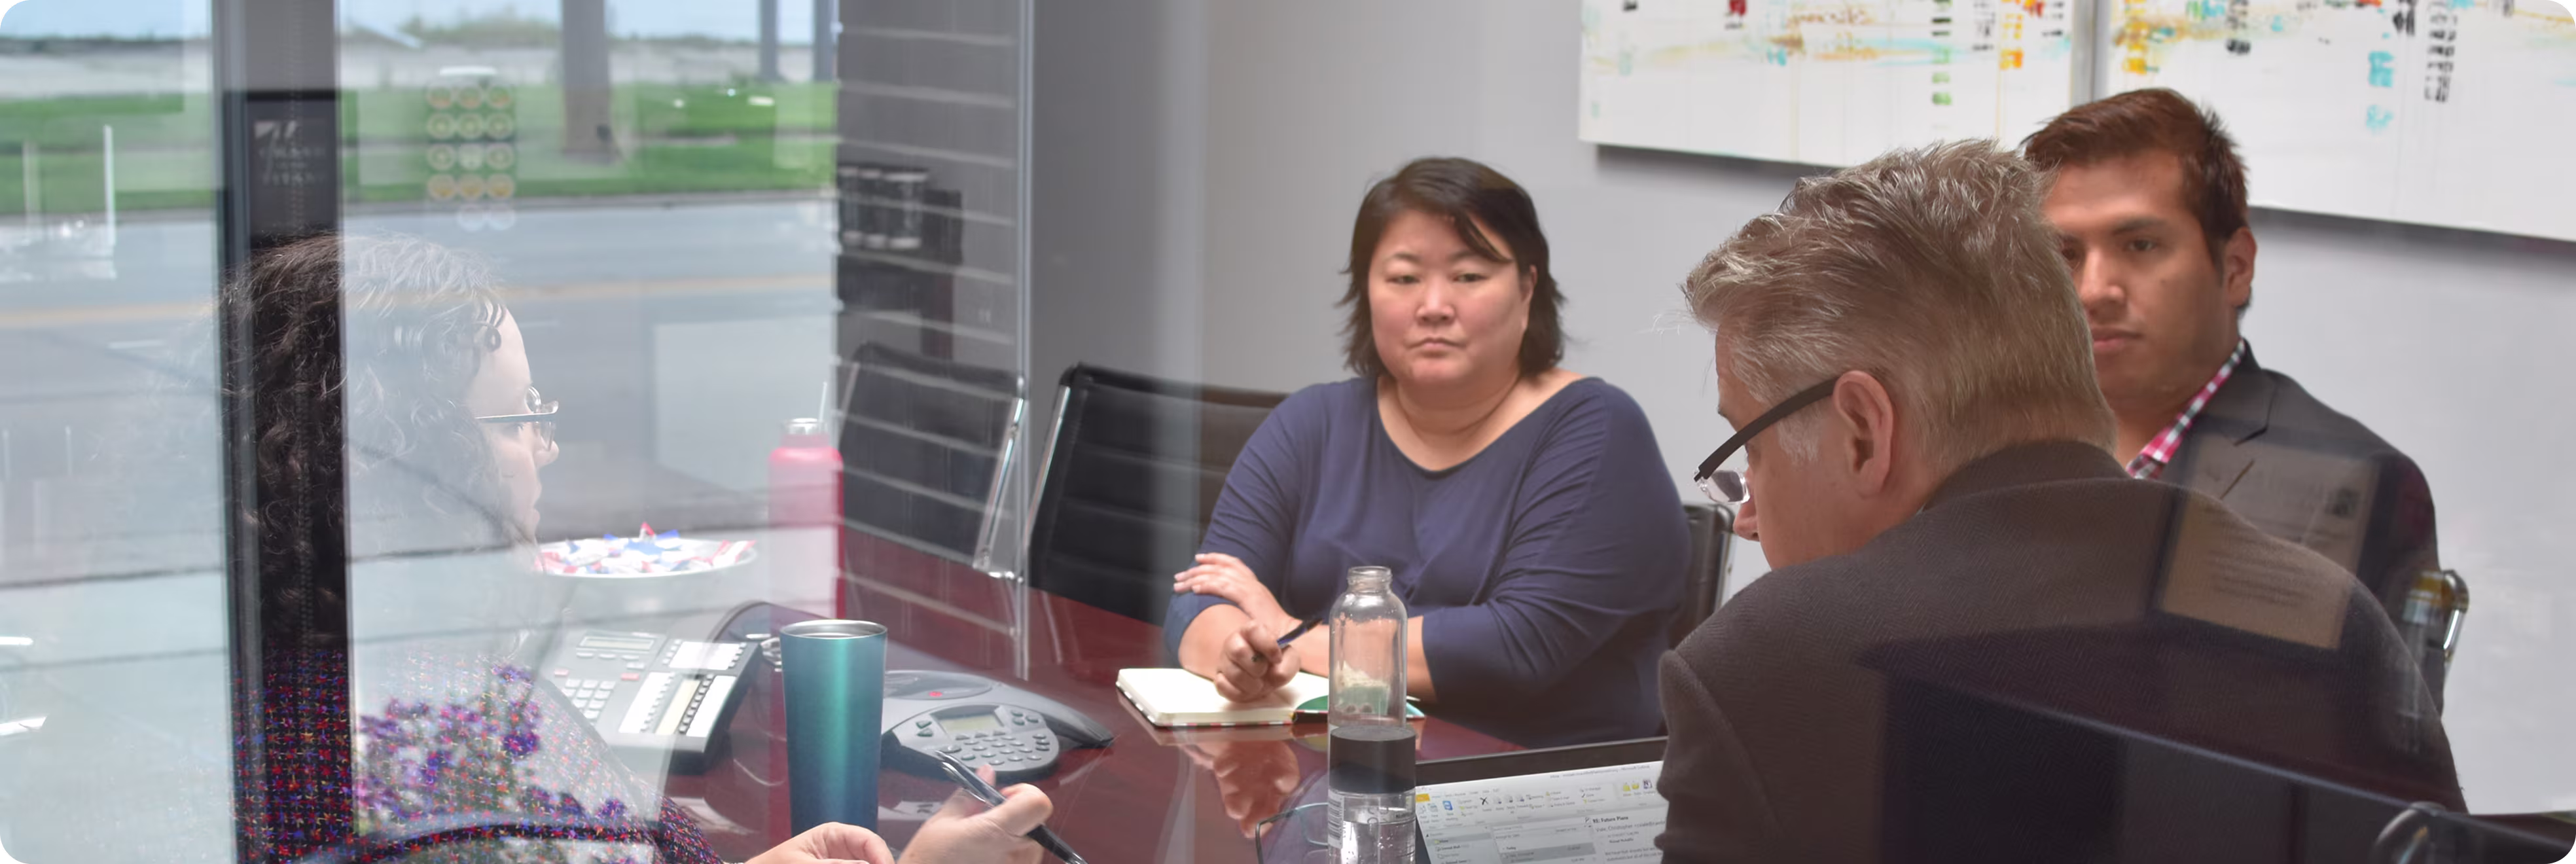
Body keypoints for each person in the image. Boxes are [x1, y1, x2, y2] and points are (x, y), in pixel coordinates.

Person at [1655, 142, 2460, 863]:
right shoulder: (2334, 617)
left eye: (1750, 453)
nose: (1748, 514)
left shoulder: (1766, 664)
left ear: (1864, 431)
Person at [223, 234, 1053, 864]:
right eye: (519, 418)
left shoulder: (248, 704)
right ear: (420, 467)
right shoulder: (445, 729)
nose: (544, 447)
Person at [1164, 156, 1689, 747]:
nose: (1434, 305)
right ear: (1366, 292)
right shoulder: (1312, 422)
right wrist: (1241, 653)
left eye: (1468, 276)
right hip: (1333, 773)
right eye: (1404, 278)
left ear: (1527, 289)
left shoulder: (1596, 431)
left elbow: (1514, 647)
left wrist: (1291, 638)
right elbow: (1202, 595)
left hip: (1522, 795)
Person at [2024, 88, 2442, 626]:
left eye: (2141, 245)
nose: (2094, 289)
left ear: (2236, 267)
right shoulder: (1998, 442)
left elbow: (2362, 711)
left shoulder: (2353, 483)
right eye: (2065, 254)